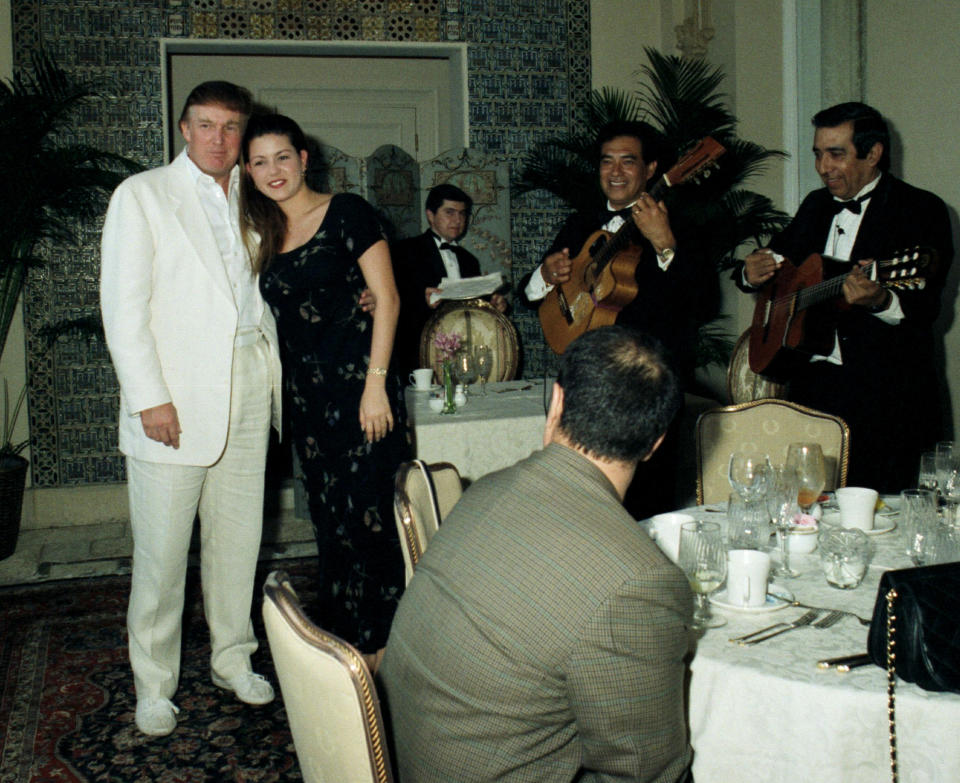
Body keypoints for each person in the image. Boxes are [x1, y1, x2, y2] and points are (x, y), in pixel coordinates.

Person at [380, 325, 694, 783]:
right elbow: (646, 774)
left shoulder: (488, 489)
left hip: (405, 758)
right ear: (655, 442)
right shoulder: (638, 579)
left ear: (558, 402)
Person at [100, 82, 283, 737]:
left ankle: (233, 659)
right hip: (172, 399)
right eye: (206, 125)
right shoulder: (142, 195)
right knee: (162, 554)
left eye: (231, 127)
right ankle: (154, 684)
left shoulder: (255, 198)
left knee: (238, 541)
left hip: (247, 384)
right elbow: (123, 311)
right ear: (184, 127)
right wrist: (149, 397)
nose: (218, 139)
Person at [239, 114, 409, 667]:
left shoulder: (347, 213)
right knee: (331, 525)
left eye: (282, 157)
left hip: (362, 392)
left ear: (304, 158)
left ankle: (389, 655)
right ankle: (345, 647)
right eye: (259, 161)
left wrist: (376, 386)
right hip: (306, 405)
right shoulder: (258, 232)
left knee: (372, 521)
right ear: (247, 169)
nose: (273, 171)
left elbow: (386, 297)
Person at [738, 102, 953, 492]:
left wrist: (880, 301)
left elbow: (927, 309)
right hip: (814, 391)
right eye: (818, 154)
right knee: (810, 511)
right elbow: (775, 263)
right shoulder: (815, 205)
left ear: (873, 154)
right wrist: (749, 272)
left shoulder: (922, 209)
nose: (823, 167)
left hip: (885, 398)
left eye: (836, 154)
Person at [520, 120, 716, 519]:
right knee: (582, 500)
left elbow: (704, 301)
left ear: (651, 170)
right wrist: (546, 274)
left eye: (628, 162)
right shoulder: (578, 224)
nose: (615, 171)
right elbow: (526, 295)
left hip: (648, 384)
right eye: (607, 161)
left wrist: (664, 244)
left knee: (646, 505)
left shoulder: (680, 227)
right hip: (586, 383)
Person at [392, 183, 508, 376]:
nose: (457, 220)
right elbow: (391, 299)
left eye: (462, 214)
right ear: (430, 215)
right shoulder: (405, 251)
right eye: (450, 212)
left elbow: (472, 305)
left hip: (464, 352)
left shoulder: (469, 260)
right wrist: (422, 299)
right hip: (418, 352)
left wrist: (493, 305)